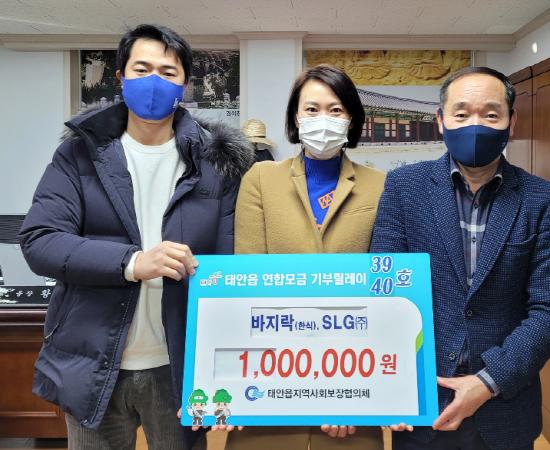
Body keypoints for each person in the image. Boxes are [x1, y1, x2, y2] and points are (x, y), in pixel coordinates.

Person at [19, 24, 253, 450]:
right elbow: (40, 240)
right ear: (120, 77)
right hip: (92, 360)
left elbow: (229, 267)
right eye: (142, 69)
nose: (154, 82)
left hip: (177, 367)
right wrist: (131, 263)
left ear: (184, 84)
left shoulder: (216, 163)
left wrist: (224, 374)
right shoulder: (79, 154)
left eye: (168, 72)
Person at [371, 66, 550, 450]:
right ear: (441, 120)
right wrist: (392, 383)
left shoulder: (542, 199)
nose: (476, 126)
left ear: (512, 122)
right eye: (462, 114)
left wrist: (487, 381)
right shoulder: (404, 187)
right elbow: (384, 290)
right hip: (421, 404)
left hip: (504, 409)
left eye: (491, 114)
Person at [226, 64, 388, 449]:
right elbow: (249, 281)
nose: (323, 119)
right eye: (311, 109)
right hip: (270, 376)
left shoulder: (380, 185)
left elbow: (385, 291)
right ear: (296, 118)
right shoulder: (261, 179)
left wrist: (353, 391)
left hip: (353, 378)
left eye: (336, 110)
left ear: (352, 119)